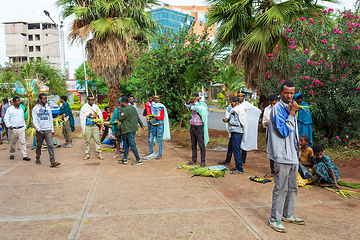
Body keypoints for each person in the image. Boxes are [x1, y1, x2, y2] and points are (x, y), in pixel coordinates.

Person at [267, 81, 303, 233]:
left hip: (292, 154)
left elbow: (294, 133)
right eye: (286, 93)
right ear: (281, 92)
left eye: (292, 93)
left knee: (293, 187)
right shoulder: (277, 110)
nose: (289, 96)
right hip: (281, 155)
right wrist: (292, 113)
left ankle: (288, 214)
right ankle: (274, 219)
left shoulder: (290, 108)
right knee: (281, 188)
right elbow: (283, 131)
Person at [32, 93, 60, 167]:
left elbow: (50, 119)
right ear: (40, 99)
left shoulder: (48, 108)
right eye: (43, 99)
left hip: (48, 129)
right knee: (38, 145)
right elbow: (34, 120)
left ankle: (52, 161)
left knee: (50, 145)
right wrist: (38, 129)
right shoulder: (35, 108)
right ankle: (37, 158)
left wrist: (52, 129)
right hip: (40, 130)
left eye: (46, 99)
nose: (45, 100)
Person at [117, 96, 145, 165]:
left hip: (129, 129)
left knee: (132, 145)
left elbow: (120, 118)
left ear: (123, 102)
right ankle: (125, 159)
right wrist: (141, 125)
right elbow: (137, 117)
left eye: (121, 102)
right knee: (126, 144)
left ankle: (138, 160)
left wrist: (119, 110)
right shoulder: (133, 108)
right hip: (131, 129)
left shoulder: (125, 109)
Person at [222, 96, 246, 174]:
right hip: (234, 132)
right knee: (234, 149)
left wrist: (228, 120)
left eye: (232, 103)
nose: (231, 105)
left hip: (237, 132)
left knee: (236, 150)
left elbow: (238, 123)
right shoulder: (236, 109)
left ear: (236, 103)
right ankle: (237, 166)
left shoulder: (237, 110)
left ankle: (239, 169)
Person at [184, 93, 209, 168]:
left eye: (193, 98)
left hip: (199, 127)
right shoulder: (193, 105)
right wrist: (190, 101)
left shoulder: (201, 106)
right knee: (193, 145)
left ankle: (203, 161)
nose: (192, 99)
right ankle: (194, 159)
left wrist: (195, 101)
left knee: (201, 145)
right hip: (193, 127)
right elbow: (186, 104)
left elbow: (193, 108)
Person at [3, 96, 31, 161]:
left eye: (19, 101)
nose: (19, 102)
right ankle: (12, 154)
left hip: (21, 128)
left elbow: (22, 118)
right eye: (18, 101)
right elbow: (6, 118)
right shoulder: (10, 109)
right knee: (12, 143)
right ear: (14, 102)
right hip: (13, 129)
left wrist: (24, 126)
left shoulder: (21, 109)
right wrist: (9, 125)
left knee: (23, 142)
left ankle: (25, 155)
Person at [144, 95, 170, 159]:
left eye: (157, 98)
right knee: (150, 139)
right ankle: (150, 152)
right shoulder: (151, 106)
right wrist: (150, 118)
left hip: (159, 125)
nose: (156, 99)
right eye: (155, 98)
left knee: (160, 139)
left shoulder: (162, 107)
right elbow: (149, 114)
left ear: (159, 99)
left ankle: (160, 153)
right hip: (153, 125)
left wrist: (155, 116)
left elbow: (162, 117)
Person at [80, 95, 103, 160]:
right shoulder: (84, 107)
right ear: (88, 100)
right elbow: (82, 117)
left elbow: (100, 114)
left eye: (93, 100)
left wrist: (97, 115)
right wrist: (87, 115)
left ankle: (99, 154)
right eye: (91, 100)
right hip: (88, 126)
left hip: (95, 126)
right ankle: (87, 154)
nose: (92, 101)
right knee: (87, 140)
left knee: (97, 140)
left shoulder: (95, 107)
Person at [263, 94, 279, 177]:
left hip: (279, 135)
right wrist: (266, 123)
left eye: (274, 103)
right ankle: (273, 171)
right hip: (269, 134)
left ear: (277, 101)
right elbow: (263, 121)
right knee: (271, 152)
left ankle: (280, 171)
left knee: (279, 153)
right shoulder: (267, 109)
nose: (272, 105)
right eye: (271, 104)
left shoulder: (281, 109)